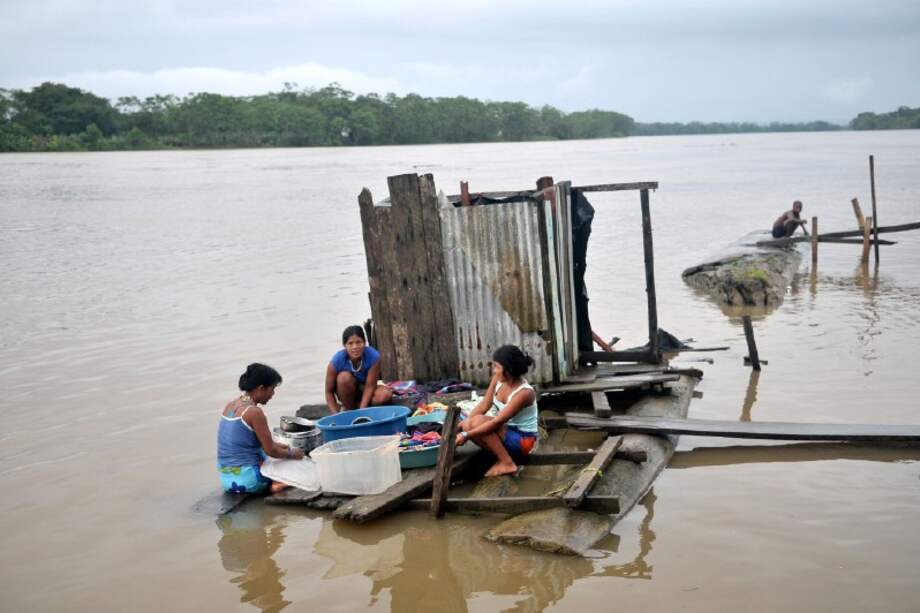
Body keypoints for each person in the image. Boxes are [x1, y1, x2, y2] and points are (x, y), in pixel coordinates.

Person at [217, 363, 304, 494]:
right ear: (261, 388)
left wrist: (279, 446)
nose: (273, 394)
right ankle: (276, 484)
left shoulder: (230, 405)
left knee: (277, 453)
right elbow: (271, 451)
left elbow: (245, 442)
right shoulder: (254, 412)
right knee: (294, 466)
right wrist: (292, 454)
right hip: (249, 481)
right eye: (272, 389)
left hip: (226, 480)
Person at [455, 344, 539, 477]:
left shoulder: (524, 393)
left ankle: (507, 463)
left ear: (509, 370)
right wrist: (462, 426)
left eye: (497, 367)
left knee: (476, 423)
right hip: (507, 432)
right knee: (468, 423)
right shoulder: (498, 380)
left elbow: (496, 422)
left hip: (523, 440)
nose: (494, 370)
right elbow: (484, 405)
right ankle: (501, 457)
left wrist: (466, 435)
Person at [325, 325, 393, 413]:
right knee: (343, 378)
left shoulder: (374, 356)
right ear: (344, 345)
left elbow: (370, 387)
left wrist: (361, 411)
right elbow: (328, 392)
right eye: (350, 343)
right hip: (346, 392)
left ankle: (352, 409)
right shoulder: (337, 360)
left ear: (364, 343)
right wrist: (335, 416)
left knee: (385, 395)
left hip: (365, 389)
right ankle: (348, 408)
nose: (355, 347)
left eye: (358, 342)